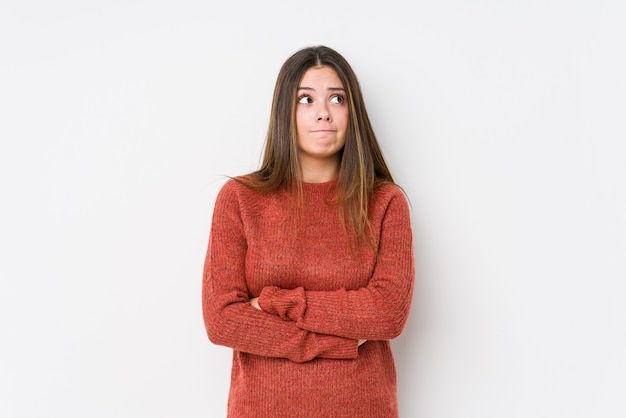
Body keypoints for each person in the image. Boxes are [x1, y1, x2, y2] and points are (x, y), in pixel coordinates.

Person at [202, 45, 415, 417]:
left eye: (337, 99)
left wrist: (275, 302)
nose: (323, 114)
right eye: (305, 99)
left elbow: (387, 314)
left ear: (353, 113)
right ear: (285, 111)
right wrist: (341, 342)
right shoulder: (239, 198)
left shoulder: (385, 202)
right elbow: (222, 320)